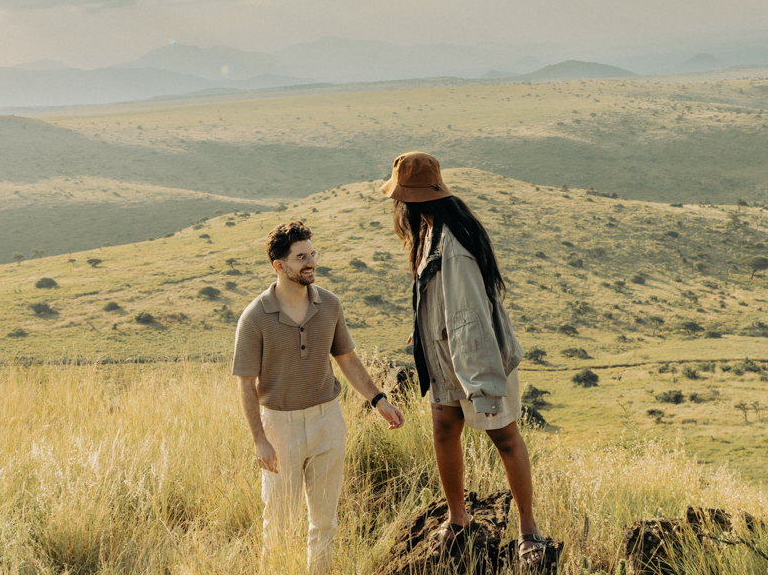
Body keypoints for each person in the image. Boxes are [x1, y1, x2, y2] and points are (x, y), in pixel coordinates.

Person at [380, 152, 548, 566]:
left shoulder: (453, 244)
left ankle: (529, 529)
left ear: (413, 200)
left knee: (505, 437)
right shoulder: (433, 231)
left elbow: (469, 317)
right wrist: (424, 328)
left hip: (476, 360)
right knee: (443, 430)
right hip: (447, 356)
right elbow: (445, 302)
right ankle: (458, 518)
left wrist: (482, 384)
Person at [233, 221, 405, 574]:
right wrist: (259, 440)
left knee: (325, 523)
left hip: (328, 420)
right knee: (279, 525)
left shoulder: (330, 305)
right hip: (280, 427)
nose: (310, 262)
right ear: (279, 265)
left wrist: (379, 400)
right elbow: (246, 384)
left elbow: (348, 360)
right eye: (301, 257)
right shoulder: (254, 317)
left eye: (312, 254)